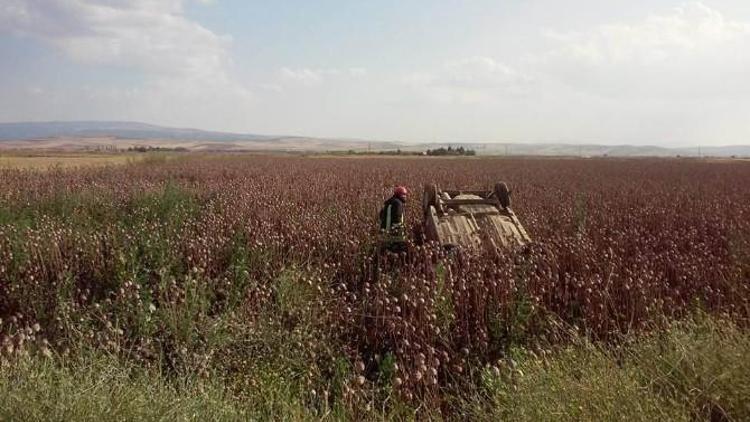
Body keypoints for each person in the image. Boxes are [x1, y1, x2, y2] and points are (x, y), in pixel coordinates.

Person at [379, 186, 408, 254]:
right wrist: (400, 235)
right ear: (400, 195)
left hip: (383, 233)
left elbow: (381, 215)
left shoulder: (388, 202)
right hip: (393, 235)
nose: (405, 197)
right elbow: (397, 219)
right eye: (404, 195)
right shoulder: (398, 203)